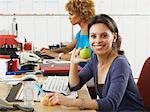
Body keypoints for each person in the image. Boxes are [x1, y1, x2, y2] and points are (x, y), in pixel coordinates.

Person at [44, 14, 144, 111]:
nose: (98, 40)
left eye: (104, 35)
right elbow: (74, 86)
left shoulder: (120, 64)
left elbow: (110, 104)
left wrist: (70, 102)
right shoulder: (95, 59)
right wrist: (73, 63)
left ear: (114, 37)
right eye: (93, 36)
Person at [40, 0, 95, 64]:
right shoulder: (81, 32)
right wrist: (50, 51)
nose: (69, 17)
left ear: (82, 14)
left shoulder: (92, 32)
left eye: (71, 14)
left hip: (86, 72)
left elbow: (81, 57)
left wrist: (56, 55)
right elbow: (68, 48)